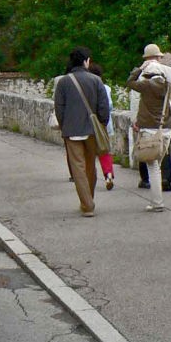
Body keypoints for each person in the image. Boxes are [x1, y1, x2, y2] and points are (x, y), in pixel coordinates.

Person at [53, 47, 109, 217]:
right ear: (86, 61)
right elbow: (103, 107)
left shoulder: (63, 82)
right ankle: (88, 199)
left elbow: (59, 108)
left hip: (71, 130)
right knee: (90, 166)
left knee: (78, 168)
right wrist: (102, 124)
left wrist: (64, 126)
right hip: (92, 129)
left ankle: (87, 204)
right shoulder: (96, 80)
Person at [127, 43, 171, 206]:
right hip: (165, 127)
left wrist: (140, 69)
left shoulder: (145, 85)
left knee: (153, 167)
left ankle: (157, 202)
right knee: (160, 163)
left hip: (149, 129)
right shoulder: (168, 83)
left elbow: (130, 82)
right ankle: (161, 191)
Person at [89, 62, 117, 190]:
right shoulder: (106, 88)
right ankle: (108, 174)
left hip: (90, 124)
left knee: (89, 152)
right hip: (104, 125)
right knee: (104, 151)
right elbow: (109, 106)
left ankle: (90, 177)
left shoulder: (87, 87)